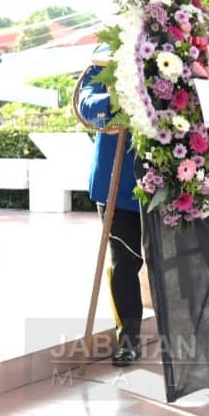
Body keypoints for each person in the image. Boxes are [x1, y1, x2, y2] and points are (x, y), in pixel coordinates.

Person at [77, 63, 144, 367]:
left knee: (173, 261)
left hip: (169, 180)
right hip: (118, 185)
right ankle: (128, 339)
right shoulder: (106, 61)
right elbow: (86, 104)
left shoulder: (173, 54)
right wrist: (117, 99)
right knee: (125, 263)